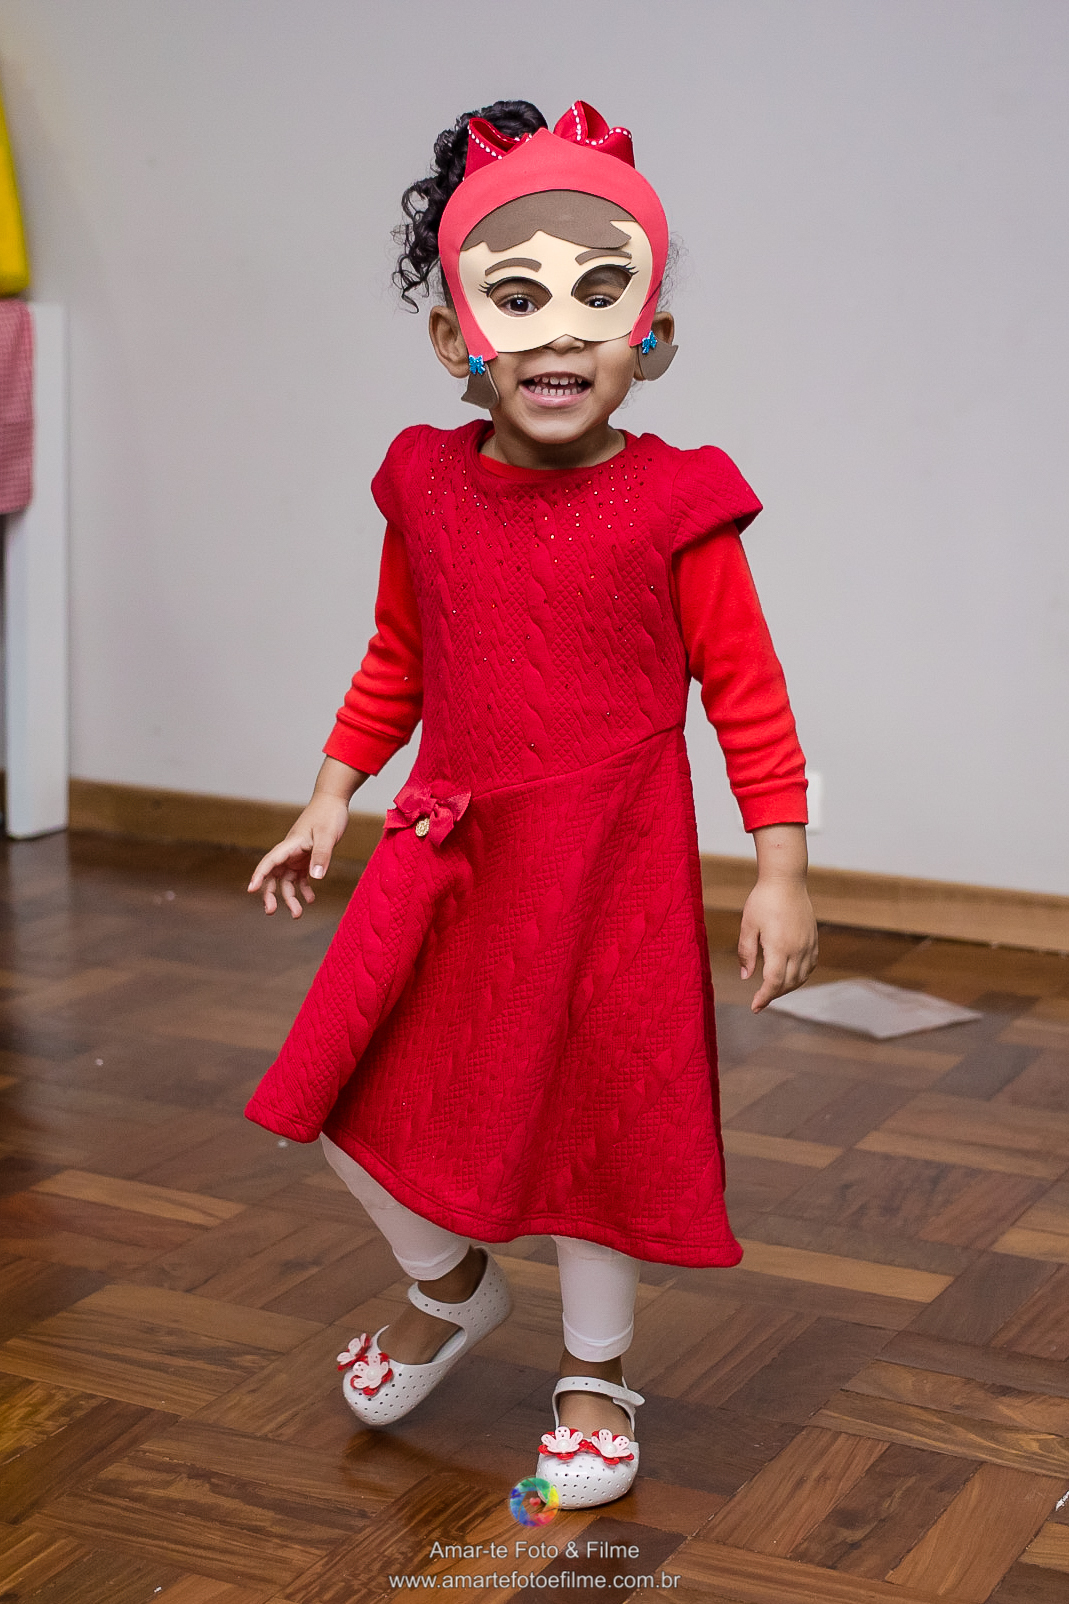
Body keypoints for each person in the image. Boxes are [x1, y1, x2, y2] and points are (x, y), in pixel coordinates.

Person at [245, 99, 818, 1509]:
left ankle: (596, 1377)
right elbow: (399, 655)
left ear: (648, 338)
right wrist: (330, 798)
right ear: (456, 339)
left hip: (605, 862)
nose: (558, 335)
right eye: (516, 299)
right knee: (329, 1084)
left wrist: (778, 869)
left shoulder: (677, 504)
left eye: (598, 298)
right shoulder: (426, 485)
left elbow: (747, 696)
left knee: (590, 1117)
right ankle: (449, 1290)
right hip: (448, 845)